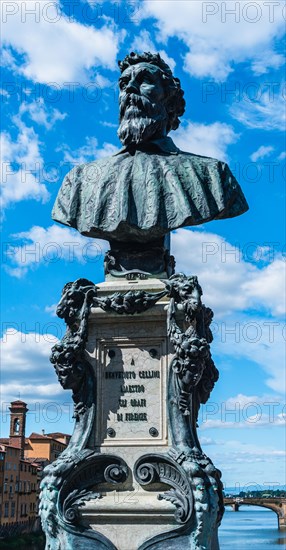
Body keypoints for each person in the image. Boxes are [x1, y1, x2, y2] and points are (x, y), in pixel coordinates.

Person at [52, 52, 248, 277]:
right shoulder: (80, 179)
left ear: (170, 100)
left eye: (144, 81)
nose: (130, 89)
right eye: (124, 84)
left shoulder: (212, 174)